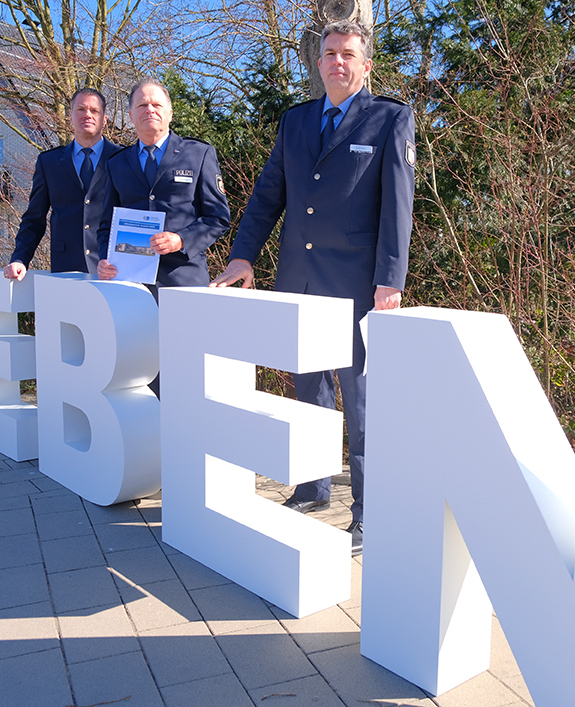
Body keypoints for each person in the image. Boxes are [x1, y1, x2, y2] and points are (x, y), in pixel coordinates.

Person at [210, 20, 416, 556]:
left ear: (366, 65)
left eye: (348, 54)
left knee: (362, 400)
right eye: (329, 54)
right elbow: (267, 195)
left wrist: (389, 281)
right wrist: (242, 255)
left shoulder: (390, 119)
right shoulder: (296, 122)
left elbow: (398, 206)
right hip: (298, 281)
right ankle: (312, 487)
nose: (337, 62)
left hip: (356, 288)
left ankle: (371, 510)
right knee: (308, 391)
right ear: (318, 62)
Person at [95, 79, 230, 287]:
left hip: (183, 279)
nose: (149, 110)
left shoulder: (198, 154)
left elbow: (218, 218)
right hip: (129, 281)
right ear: (131, 115)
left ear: (170, 113)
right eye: (142, 105)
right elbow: (106, 225)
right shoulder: (116, 163)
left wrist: (181, 239)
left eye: (156, 105)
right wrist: (105, 259)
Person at [4, 88, 122, 280]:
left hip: (111, 269)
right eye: (81, 109)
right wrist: (19, 259)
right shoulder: (49, 162)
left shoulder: (122, 159)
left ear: (105, 119)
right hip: (65, 270)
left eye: (94, 110)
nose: (87, 115)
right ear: (70, 117)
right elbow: (34, 219)